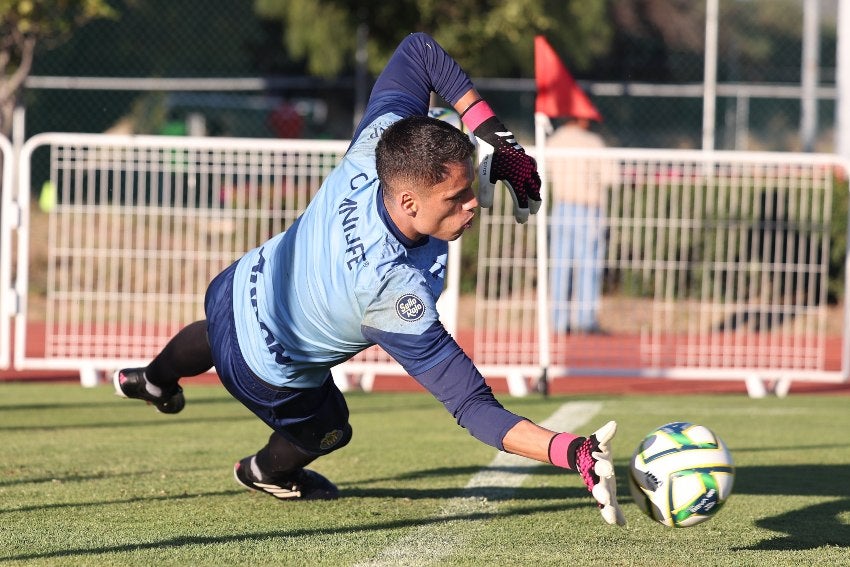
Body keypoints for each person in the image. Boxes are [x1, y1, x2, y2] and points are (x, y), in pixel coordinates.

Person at [113, 32, 625, 526]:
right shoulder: (392, 294)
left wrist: (497, 139)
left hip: (239, 283)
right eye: (456, 198)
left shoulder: (378, 147)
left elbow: (418, 48)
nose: (473, 205)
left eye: (472, 188)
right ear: (408, 202)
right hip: (261, 367)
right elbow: (471, 405)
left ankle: (153, 378)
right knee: (332, 431)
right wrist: (570, 450)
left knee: (216, 328)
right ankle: (263, 471)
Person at [548, 115, 618, 334]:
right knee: (589, 267)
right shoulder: (593, 142)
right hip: (589, 208)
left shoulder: (554, 141)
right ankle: (585, 321)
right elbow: (611, 177)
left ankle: (558, 322)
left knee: (560, 266)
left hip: (562, 206)